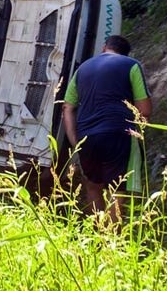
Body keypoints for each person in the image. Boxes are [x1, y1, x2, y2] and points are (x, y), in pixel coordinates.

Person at [62, 35, 152, 225]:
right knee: (117, 188)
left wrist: (75, 141)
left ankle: (97, 237)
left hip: (87, 137)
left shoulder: (82, 69)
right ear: (125, 53)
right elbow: (144, 110)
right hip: (118, 134)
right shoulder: (131, 65)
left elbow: (67, 108)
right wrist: (138, 133)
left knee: (93, 186)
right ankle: (112, 242)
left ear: (104, 48)